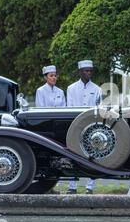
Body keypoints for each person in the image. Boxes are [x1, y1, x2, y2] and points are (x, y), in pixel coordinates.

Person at [66, 60, 101, 194]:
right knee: (72, 155)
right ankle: (72, 186)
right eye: (86, 71)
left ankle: (90, 187)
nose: (89, 73)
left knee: (92, 155)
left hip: (91, 126)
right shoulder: (71, 88)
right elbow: (69, 108)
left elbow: (98, 108)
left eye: (90, 71)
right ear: (80, 72)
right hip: (75, 126)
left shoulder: (97, 89)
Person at [35, 65, 65, 194]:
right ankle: (47, 187)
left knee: (57, 157)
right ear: (45, 77)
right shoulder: (40, 91)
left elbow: (64, 108)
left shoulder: (60, 92)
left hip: (58, 127)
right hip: (46, 127)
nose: (54, 78)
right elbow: (40, 109)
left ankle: (53, 186)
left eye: (55, 75)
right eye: (51, 76)